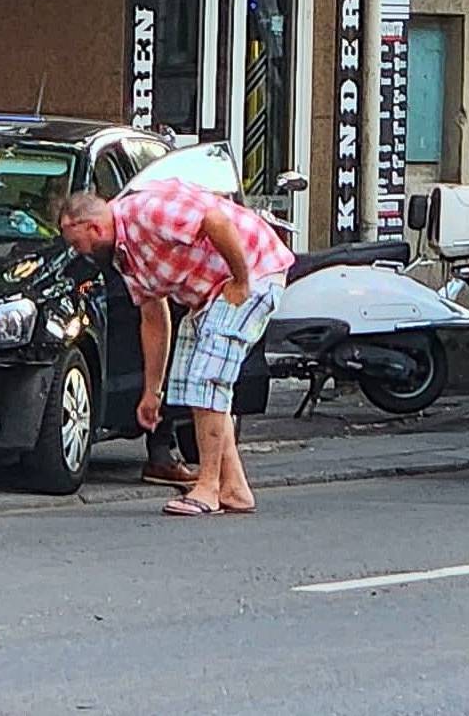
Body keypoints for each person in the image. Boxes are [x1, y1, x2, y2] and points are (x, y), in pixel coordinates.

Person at [58, 179, 294, 517]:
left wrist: (241, 280)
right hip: (209, 293)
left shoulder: (146, 212)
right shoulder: (123, 256)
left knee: (207, 381)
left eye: (78, 243)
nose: (79, 252)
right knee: (188, 384)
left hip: (253, 272)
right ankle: (235, 487)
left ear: (93, 227)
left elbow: (216, 221)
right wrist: (152, 391)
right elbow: (153, 316)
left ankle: (208, 487)